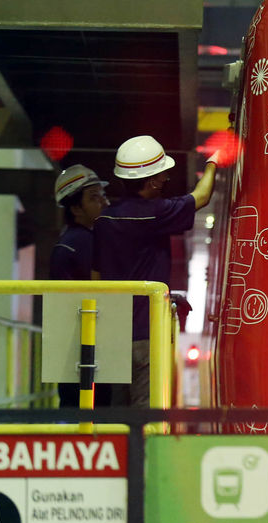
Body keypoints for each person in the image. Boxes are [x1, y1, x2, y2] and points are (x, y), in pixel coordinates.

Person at [92, 135, 219, 407]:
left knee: (115, 414)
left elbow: (96, 277)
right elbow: (202, 196)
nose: (165, 180)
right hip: (146, 333)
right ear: (150, 181)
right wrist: (213, 161)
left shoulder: (104, 220)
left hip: (113, 333)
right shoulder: (154, 213)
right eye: (162, 175)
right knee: (144, 415)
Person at [49, 164, 111, 407]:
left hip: (74, 352)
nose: (104, 203)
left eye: (103, 195)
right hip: (87, 351)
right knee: (92, 414)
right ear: (75, 208)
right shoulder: (83, 243)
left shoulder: (69, 242)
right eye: (94, 198)